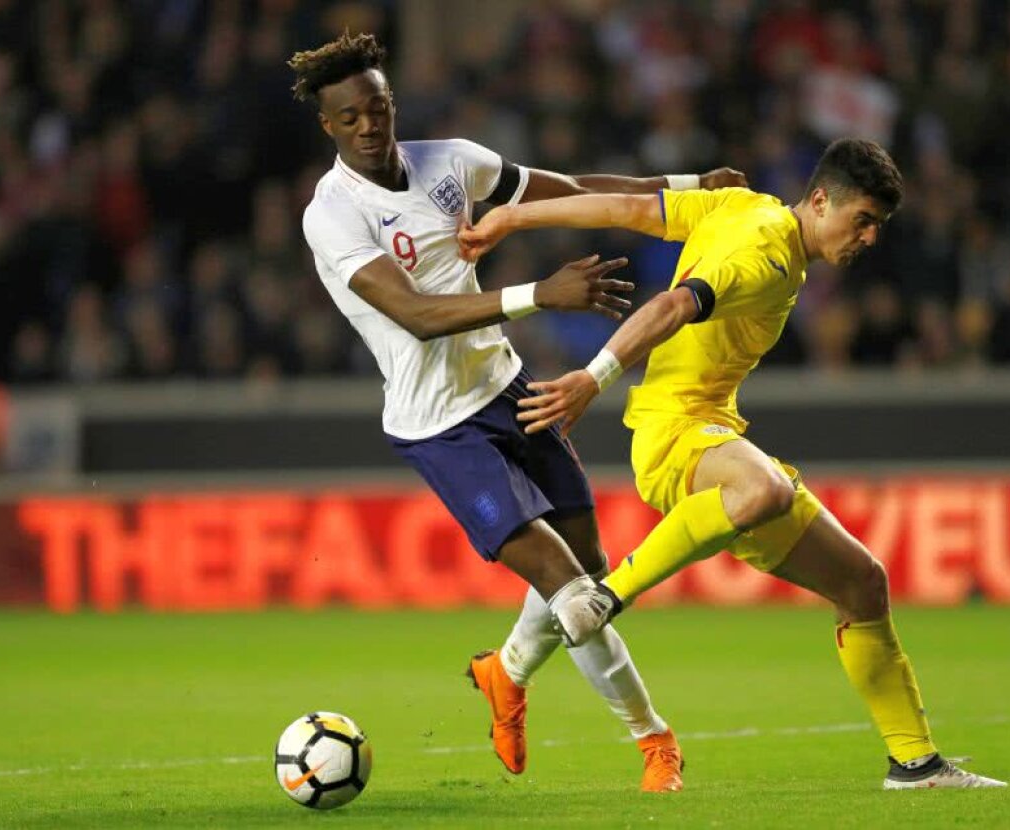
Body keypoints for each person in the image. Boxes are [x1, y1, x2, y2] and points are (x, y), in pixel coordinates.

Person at [459, 138, 1007, 790]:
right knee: (763, 489)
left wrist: (511, 217)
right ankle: (604, 600)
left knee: (863, 583)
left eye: (877, 227)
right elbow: (670, 306)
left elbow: (624, 207)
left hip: (708, 430)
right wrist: (592, 378)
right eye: (861, 219)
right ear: (821, 199)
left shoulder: (738, 205)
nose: (868, 237)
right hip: (678, 434)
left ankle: (914, 764)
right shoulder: (766, 253)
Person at [291, 31, 746, 791]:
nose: (369, 125)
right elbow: (416, 314)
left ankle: (504, 673)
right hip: (438, 424)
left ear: (390, 104)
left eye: (377, 108)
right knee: (576, 598)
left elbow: (568, 189)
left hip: (505, 389)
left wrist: (689, 185)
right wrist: (542, 292)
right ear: (329, 127)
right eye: (350, 118)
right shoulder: (331, 215)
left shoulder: (451, 161)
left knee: (592, 573)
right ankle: (655, 741)